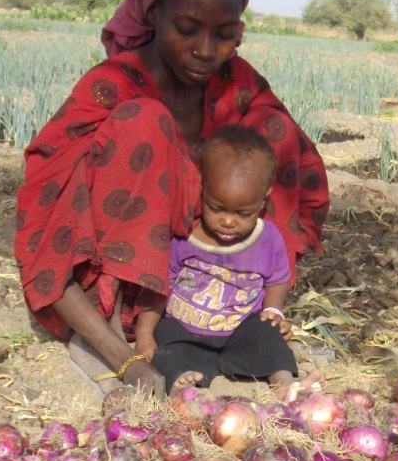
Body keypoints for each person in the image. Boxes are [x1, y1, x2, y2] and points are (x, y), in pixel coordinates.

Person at [13, 0, 329, 396]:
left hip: (207, 291)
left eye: (225, 35)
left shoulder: (236, 83)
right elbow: (49, 198)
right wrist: (127, 363)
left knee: (273, 135)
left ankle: (238, 317)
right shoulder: (114, 85)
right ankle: (109, 333)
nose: (206, 50)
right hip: (117, 290)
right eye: (187, 27)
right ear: (154, 14)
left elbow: (297, 170)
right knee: (146, 122)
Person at [136, 126, 324, 398]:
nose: (227, 221)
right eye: (216, 207)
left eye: (243, 213)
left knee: (269, 338)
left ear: (264, 198)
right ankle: (184, 385)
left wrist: (274, 313)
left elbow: (277, 279)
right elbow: (159, 286)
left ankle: (284, 382)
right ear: (203, 188)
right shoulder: (184, 234)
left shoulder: (268, 238)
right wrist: (144, 332)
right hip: (185, 329)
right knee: (167, 346)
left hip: (241, 329)